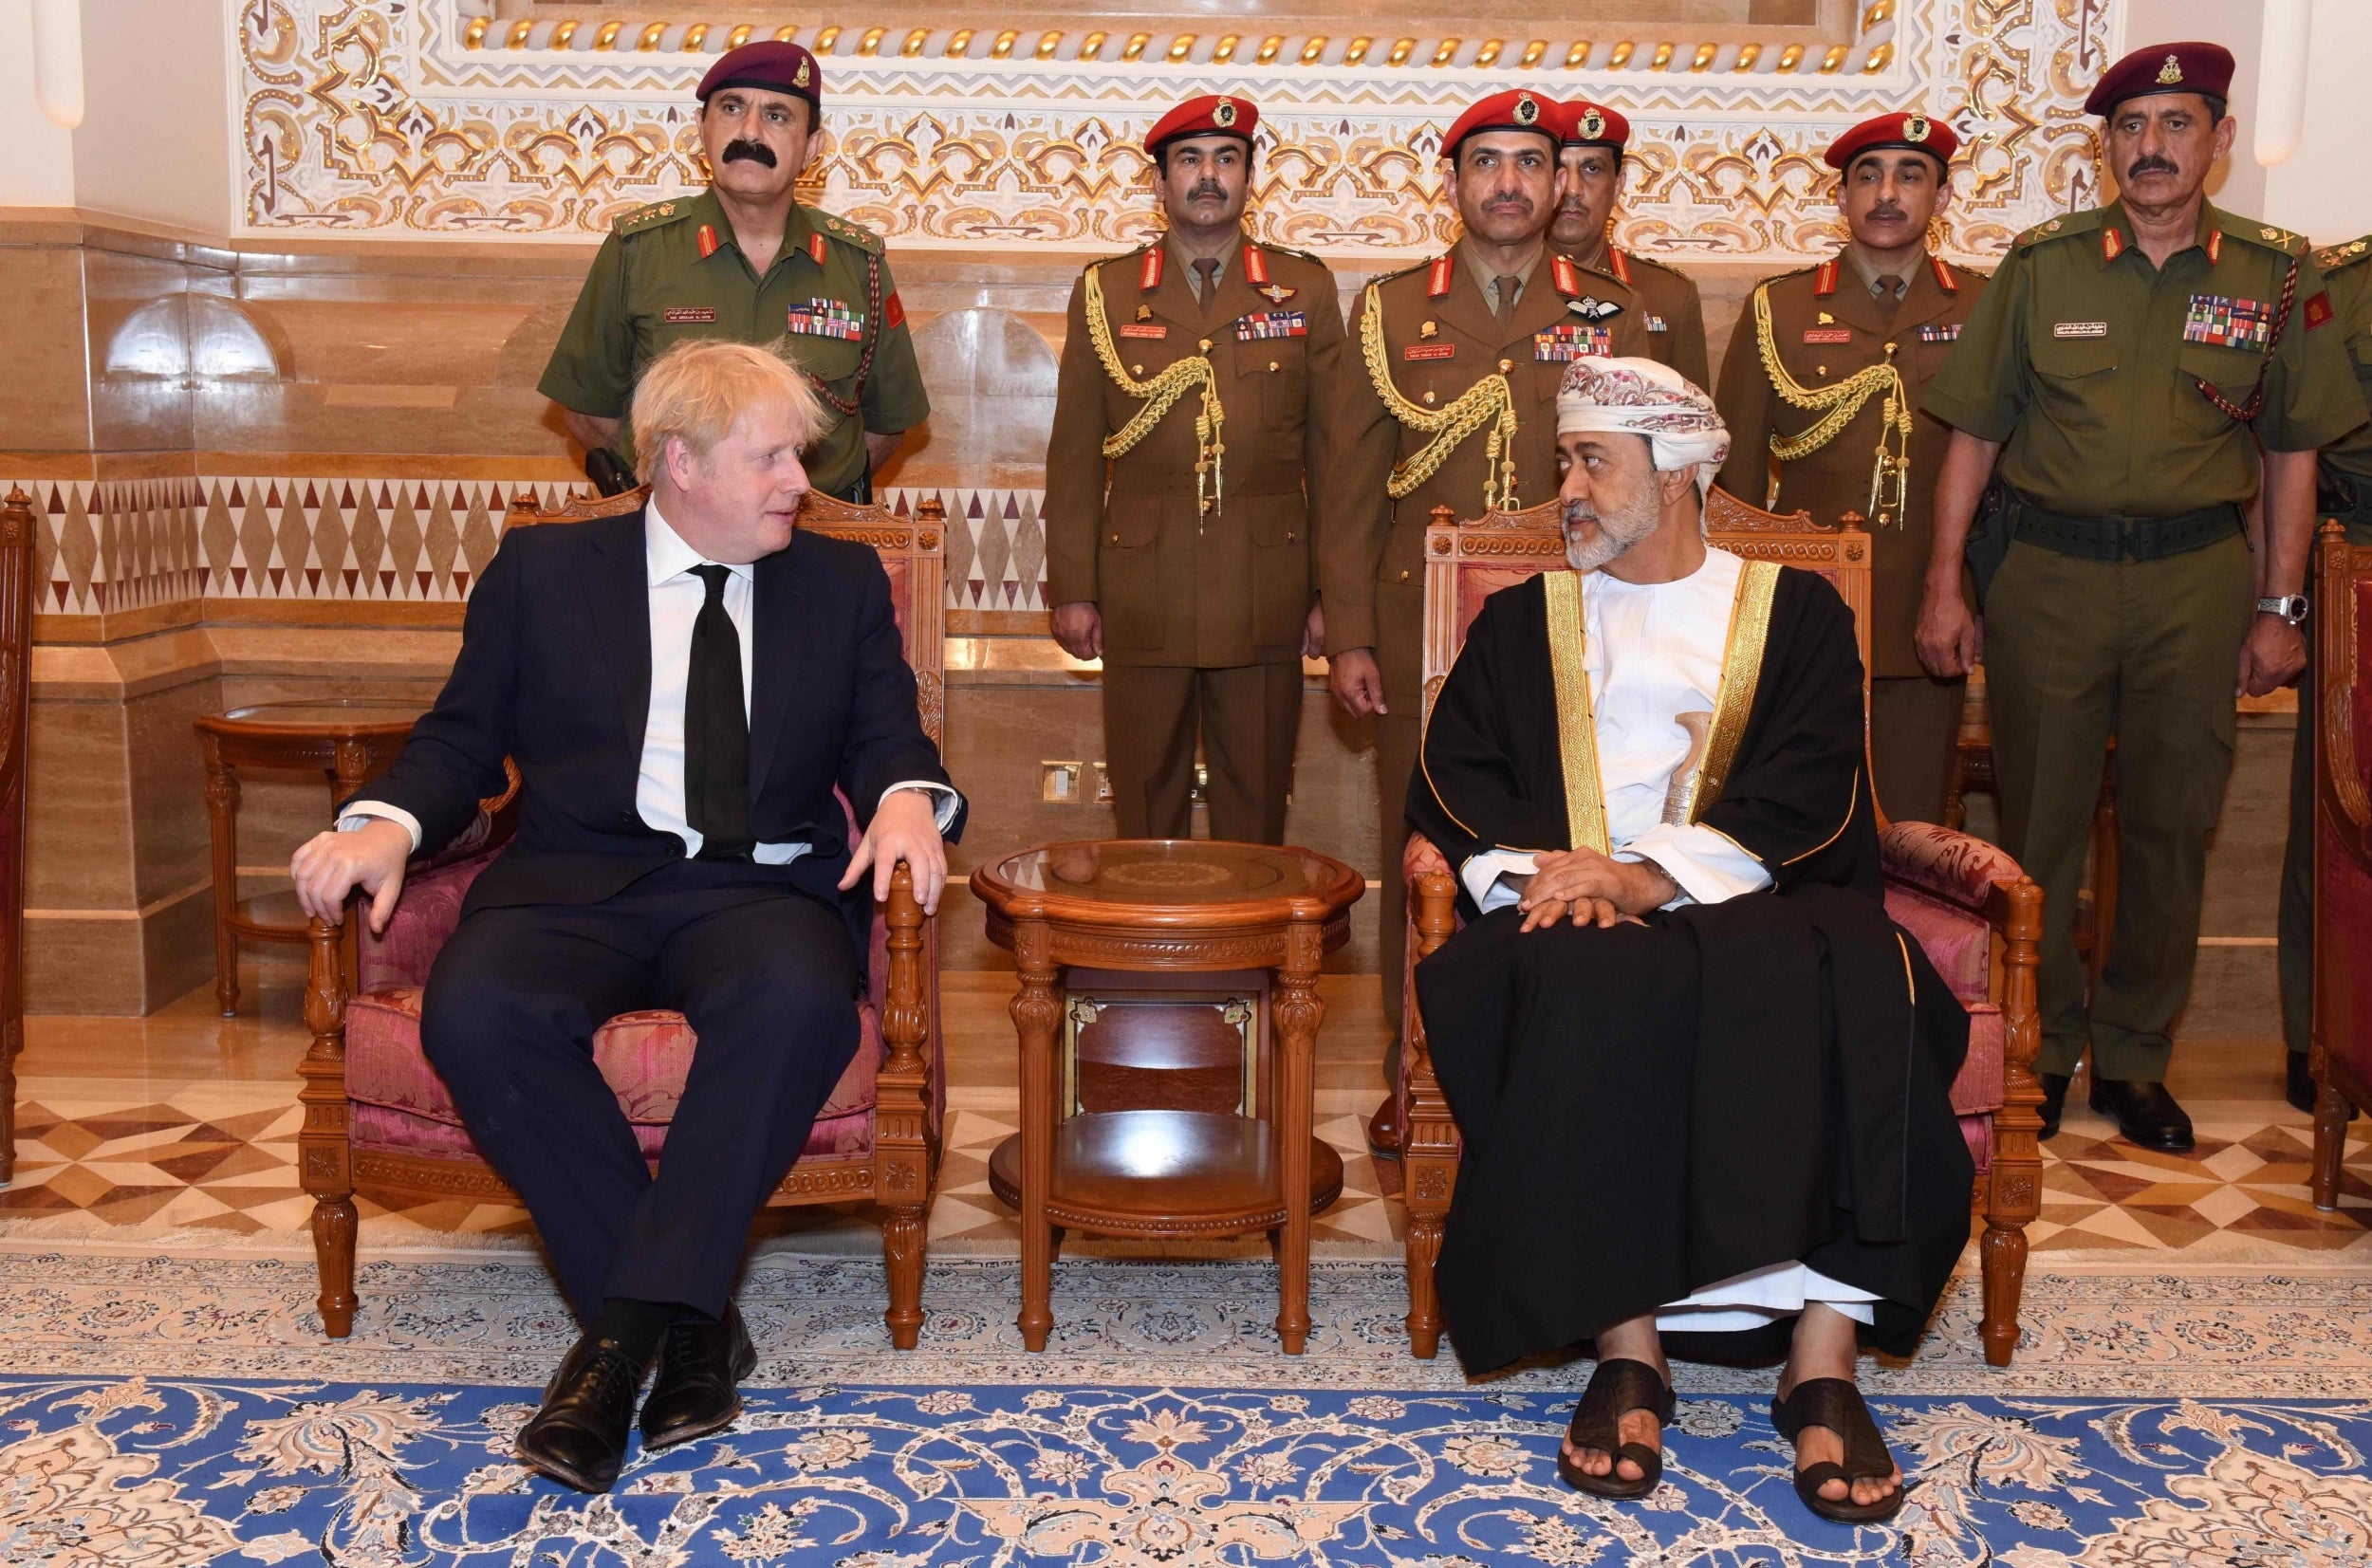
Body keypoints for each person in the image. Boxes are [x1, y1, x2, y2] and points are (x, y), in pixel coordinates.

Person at [288, 340, 964, 1494]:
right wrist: (387, 824)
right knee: (480, 1010)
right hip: (574, 878)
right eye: (772, 458)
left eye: (798, 456)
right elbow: (460, 739)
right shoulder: (544, 574)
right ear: (678, 463)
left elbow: (888, 738)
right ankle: (689, 1329)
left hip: (757, 887)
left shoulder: (839, 586)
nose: (801, 482)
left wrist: (907, 800)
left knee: (801, 1003)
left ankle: (614, 1350)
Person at [1412, 357, 1968, 1524]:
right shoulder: (1526, 620)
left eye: (1589, 461)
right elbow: (1458, 778)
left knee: (1864, 973)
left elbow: (1811, 786)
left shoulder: (1792, 611)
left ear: (1672, 475)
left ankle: (1822, 1363)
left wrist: (1650, 875)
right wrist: (1554, 879)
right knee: (1587, 976)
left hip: (1748, 892)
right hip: (1566, 904)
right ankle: (1630, 1344)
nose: (1564, 485)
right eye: (1565, 458)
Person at [1919, 41, 2367, 1151]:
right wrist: (1943, 582)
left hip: (2195, 582)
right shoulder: (2043, 262)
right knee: (2037, 826)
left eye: (2175, 125)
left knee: (2173, 826)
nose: (2150, 149)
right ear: (2103, 145)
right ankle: (2041, 1047)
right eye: (2129, 127)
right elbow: (1975, 434)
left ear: (2217, 140)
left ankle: (2133, 1056)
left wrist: (2280, 609)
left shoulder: (2275, 274)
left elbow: (2290, 454)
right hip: (2049, 579)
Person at [1321, 88, 1578, 1035]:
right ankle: (1415, 1050)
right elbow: (1348, 482)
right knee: (1427, 838)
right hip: (1415, 621)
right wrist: (1349, 633)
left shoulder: (1609, 313)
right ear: (1453, 181)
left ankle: (1547, 1040)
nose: (1507, 184)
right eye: (1486, 163)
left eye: (1528, 164)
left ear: (1558, 184)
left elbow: (1650, 490)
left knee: (1559, 832)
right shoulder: (1392, 307)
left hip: (1569, 621)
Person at [1042, 94, 1341, 843]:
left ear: (1249, 176)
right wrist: (1074, 587)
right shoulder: (1107, 291)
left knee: (1258, 805)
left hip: (1266, 585)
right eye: (1190, 160)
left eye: (1227, 159)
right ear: (1161, 181)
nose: (1209, 176)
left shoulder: (1304, 289)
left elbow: (1334, 458)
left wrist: (1335, 593)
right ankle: (1152, 955)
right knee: (1144, 806)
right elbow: (1074, 452)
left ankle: (1255, 956)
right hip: (1144, 586)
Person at [1716, 111, 1987, 824]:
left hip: (1930, 610)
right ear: (1840, 197)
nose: (1887, 193)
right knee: (1795, 821)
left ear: (1944, 197)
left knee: (1909, 825)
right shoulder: (1779, 306)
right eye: (1867, 176)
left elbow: (2008, 474)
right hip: (1803, 614)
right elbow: (1734, 480)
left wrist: (1972, 597)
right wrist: (1730, 617)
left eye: (1910, 175)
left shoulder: (1985, 306)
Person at [538, 40, 930, 502]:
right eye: (731, 107)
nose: (750, 131)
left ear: (811, 148)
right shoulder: (637, 251)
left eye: (777, 116)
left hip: (815, 539)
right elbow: (588, 411)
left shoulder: (857, 263)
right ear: (701, 131)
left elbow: (887, 424)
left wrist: (809, 499)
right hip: (675, 538)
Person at [2279, 233, 2372, 1113]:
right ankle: (2325, 1040)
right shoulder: (2338, 284)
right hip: (2359, 568)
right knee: (2338, 809)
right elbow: (2300, 436)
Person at [1551, 100, 1710, 388]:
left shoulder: (1670, 295)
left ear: (1617, 187)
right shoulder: (1505, 286)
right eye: (1559, 171)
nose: (1572, 189)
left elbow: (1689, 426)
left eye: (1591, 169)